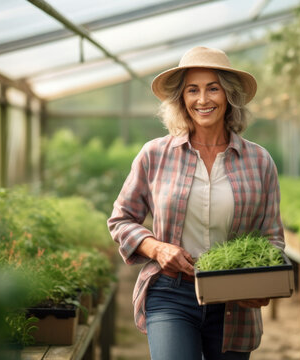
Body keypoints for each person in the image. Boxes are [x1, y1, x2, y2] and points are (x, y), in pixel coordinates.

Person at [108, 46, 284, 360]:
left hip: (234, 301)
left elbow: (272, 238)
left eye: (212, 88)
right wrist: (158, 249)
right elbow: (121, 219)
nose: (202, 100)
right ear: (182, 99)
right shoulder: (155, 155)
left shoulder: (258, 160)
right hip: (171, 293)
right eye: (193, 90)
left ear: (229, 95)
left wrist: (262, 284)